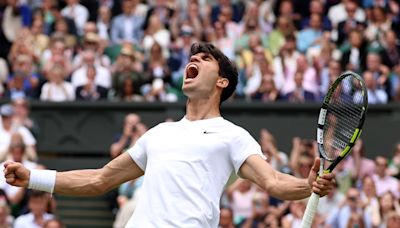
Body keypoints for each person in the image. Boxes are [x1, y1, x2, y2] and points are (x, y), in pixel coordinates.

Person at [3, 43, 335, 227]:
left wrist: (307, 186)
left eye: (205, 60)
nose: (194, 59)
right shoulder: (158, 134)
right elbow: (99, 179)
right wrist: (33, 177)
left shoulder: (233, 136)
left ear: (222, 82)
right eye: (194, 57)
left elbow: (274, 182)